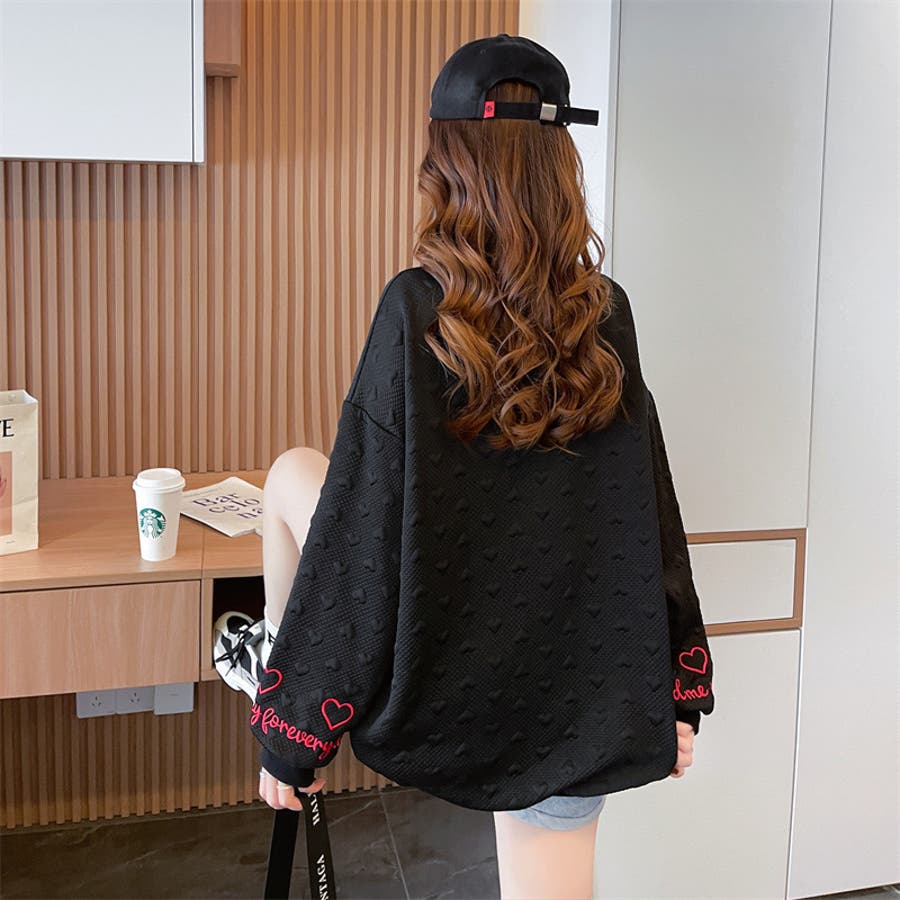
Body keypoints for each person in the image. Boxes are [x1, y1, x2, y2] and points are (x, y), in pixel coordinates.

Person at [213, 34, 715, 900]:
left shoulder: (417, 311)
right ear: (561, 166)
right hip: (575, 676)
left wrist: (292, 736)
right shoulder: (606, 313)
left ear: (447, 165)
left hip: (460, 669)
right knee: (293, 471)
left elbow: (362, 536)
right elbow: (647, 510)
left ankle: (276, 666)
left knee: (293, 478)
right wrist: (676, 683)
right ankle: (276, 657)